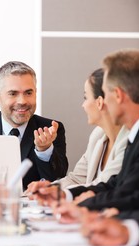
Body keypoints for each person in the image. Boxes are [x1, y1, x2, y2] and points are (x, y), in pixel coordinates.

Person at [47, 49, 139, 220]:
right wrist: (58, 193)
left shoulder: (131, 138)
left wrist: (83, 204)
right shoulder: (130, 136)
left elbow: (125, 195)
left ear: (117, 95)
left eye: (107, 93)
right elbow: (116, 185)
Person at [26, 68, 128, 205]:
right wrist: (49, 189)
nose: (83, 105)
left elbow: (102, 185)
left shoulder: (129, 141)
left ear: (99, 102)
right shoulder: (98, 135)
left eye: (86, 97)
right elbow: (76, 178)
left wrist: (59, 194)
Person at [0, 61, 68, 190]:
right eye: (13, 94)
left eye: (28, 93)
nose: (22, 101)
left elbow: (57, 180)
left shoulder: (50, 129)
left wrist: (45, 150)